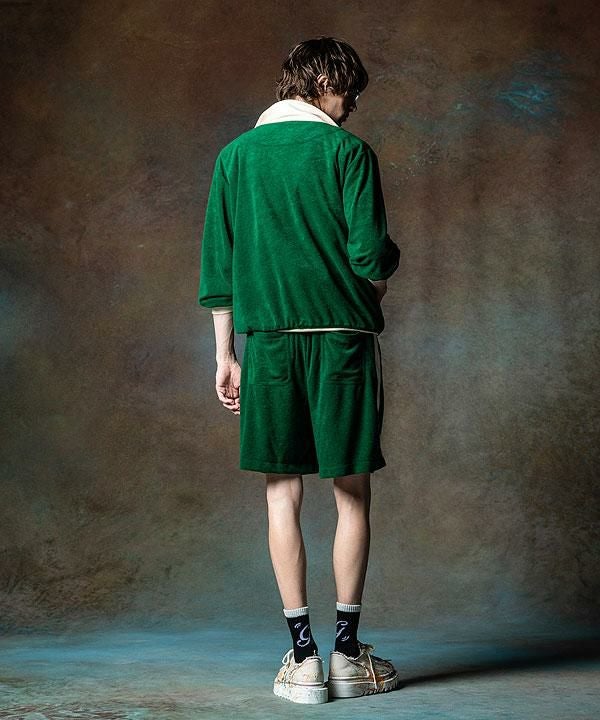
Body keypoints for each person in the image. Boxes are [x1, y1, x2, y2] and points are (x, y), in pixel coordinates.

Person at [197, 36, 402, 704]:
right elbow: (370, 255)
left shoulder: (235, 157)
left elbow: (220, 268)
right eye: (349, 92)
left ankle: (304, 659)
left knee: (281, 493)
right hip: (342, 341)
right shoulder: (349, 153)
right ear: (323, 82)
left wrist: (225, 355)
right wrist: (369, 291)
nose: (352, 106)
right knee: (352, 491)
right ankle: (347, 655)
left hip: (269, 345)